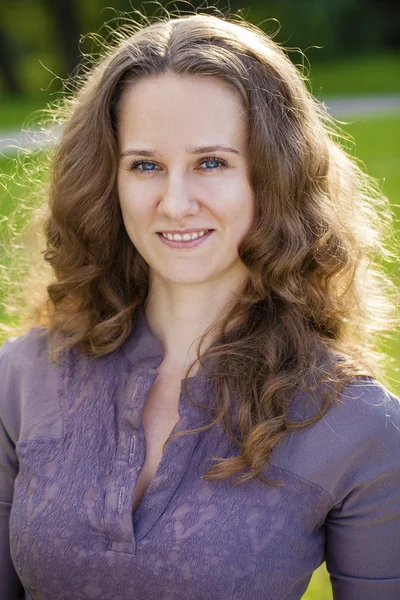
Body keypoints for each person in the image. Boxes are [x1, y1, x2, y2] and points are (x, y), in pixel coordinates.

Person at [1, 9, 399, 600]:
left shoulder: (356, 424)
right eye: (145, 166)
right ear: (107, 181)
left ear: (273, 177)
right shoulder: (21, 379)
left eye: (211, 162)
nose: (176, 202)